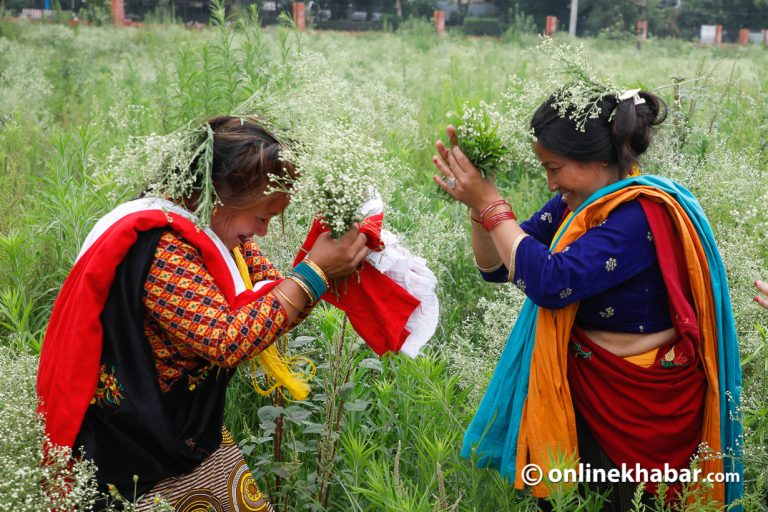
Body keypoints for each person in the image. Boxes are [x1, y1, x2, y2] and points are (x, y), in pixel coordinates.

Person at [37, 116, 370, 511]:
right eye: (261, 217)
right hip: (132, 453)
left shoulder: (217, 233)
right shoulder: (163, 246)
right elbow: (226, 340)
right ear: (219, 196)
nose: (262, 231)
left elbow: (273, 303)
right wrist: (315, 273)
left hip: (182, 434)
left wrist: (327, 270)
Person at [433, 90, 743, 510]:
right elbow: (498, 267)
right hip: (582, 396)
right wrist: (478, 209)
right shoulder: (575, 204)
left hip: (640, 410)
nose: (551, 183)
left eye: (554, 168)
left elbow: (547, 281)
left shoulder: (637, 216)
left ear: (598, 159)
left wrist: (491, 206)